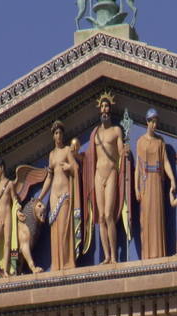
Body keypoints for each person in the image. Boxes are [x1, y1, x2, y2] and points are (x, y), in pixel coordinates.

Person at [82, 91, 129, 264]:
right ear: (99, 109)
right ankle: (107, 256)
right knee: (100, 217)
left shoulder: (116, 131)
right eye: (102, 106)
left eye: (107, 106)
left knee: (109, 215)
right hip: (97, 175)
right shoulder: (94, 134)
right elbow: (89, 157)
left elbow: (120, 151)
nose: (104, 109)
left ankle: (115, 257)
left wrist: (125, 152)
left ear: (110, 109)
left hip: (111, 174)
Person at [39, 121, 81, 270]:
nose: (59, 136)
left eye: (60, 133)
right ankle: (57, 264)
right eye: (56, 133)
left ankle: (67, 263)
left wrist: (70, 167)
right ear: (53, 136)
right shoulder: (51, 155)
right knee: (55, 232)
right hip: (54, 196)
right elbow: (49, 178)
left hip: (64, 195)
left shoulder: (67, 151)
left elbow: (76, 168)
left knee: (64, 229)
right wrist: (40, 197)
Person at [135, 108, 176, 259]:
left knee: (157, 218)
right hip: (145, 184)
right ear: (147, 122)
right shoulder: (140, 142)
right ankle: (147, 255)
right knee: (146, 219)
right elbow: (137, 169)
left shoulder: (160, 142)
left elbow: (165, 162)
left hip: (157, 183)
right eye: (152, 121)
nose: (154, 124)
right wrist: (136, 188)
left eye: (156, 121)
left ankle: (158, 253)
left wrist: (172, 179)